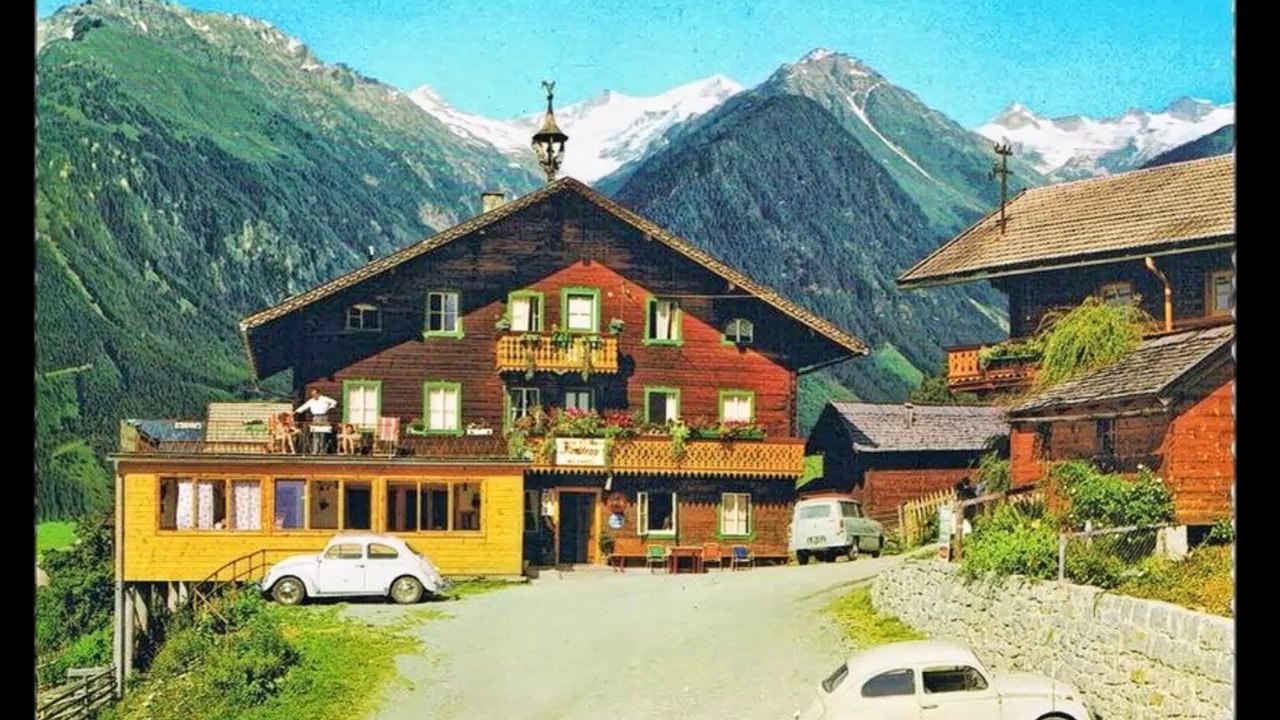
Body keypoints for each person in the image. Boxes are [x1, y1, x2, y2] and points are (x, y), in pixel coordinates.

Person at [295, 387, 338, 454]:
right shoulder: (311, 401)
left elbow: (334, 402)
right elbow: (304, 407)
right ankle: (315, 450)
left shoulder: (324, 398)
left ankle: (322, 451)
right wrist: (296, 411)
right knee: (315, 434)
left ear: (318, 393)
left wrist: (330, 408)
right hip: (315, 417)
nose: (314, 396)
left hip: (323, 417)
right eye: (312, 394)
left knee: (322, 434)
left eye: (315, 394)